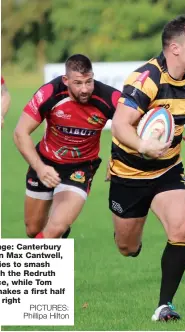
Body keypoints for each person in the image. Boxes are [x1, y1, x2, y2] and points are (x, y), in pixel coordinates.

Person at [108, 14, 185, 321]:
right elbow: (120, 125)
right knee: (127, 248)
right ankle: (128, 240)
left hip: (168, 170)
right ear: (175, 48)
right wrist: (144, 146)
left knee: (181, 227)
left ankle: (164, 305)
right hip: (128, 173)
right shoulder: (147, 79)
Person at [14, 54, 121, 239]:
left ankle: (54, 239)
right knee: (33, 229)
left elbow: (130, 126)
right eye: (78, 83)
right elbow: (20, 133)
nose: (85, 89)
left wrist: (117, 157)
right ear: (66, 80)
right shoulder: (50, 93)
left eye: (89, 82)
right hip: (45, 162)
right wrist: (40, 168)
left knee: (54, 230)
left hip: (80, 168)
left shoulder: (109, 97)